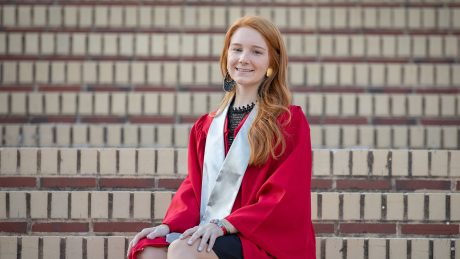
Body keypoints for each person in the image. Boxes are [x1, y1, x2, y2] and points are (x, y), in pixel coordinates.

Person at [127, 15, 316, 259]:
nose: (244, 59)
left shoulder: (288, 122)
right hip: (214, 232)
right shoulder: (206, 127)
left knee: (184, 250)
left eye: (256, 52)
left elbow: (285, 195)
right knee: (148, 249)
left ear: (272, 62)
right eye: (236, 49)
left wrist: (225, 225)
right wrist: (169, 225)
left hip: (261, 239)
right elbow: (195, 189)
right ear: (227, 56)